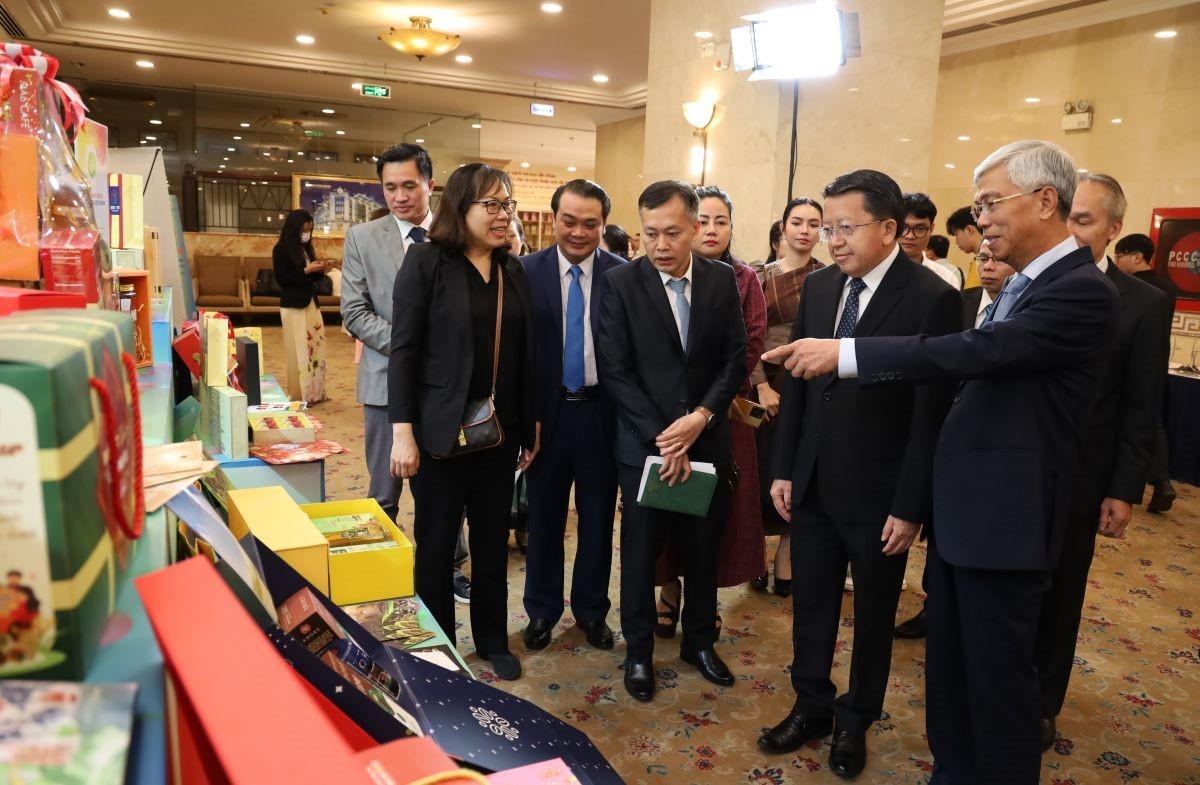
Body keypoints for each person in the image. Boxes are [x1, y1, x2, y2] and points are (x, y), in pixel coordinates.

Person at [767, 140, 1120, 785]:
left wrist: (849, 356)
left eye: (990, 203)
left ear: (1045, 202)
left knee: (997, 690)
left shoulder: (1080, 292)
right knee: (954, 681)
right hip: (966, 522)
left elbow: (970, 356)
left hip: (1003, 526)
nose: (979, 219)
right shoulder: (1025, 285)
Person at [756, 170, 960, 778]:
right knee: (812, 606)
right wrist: (786, 469)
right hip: (813, 484)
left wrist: (910, 503)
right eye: (828, 227)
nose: (833, 239)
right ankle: (810, 704)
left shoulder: (931, 297)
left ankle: (856, 719)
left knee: (873, 616)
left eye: (847, 227)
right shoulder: (820, 289)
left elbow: (930, 415)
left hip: (881, 497)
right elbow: (798, 385)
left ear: (889, 228)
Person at [596, 180, 747, 702]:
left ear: (697, 228)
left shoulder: (722, 280)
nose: (660, 245)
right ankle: (639, 651)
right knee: (640, 554)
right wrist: (668, 441)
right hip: (645, 447)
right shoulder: (619, 284)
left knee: (703, 550)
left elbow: (734, 359)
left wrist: (701, 419)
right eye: (650, 233)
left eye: (672, 233)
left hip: (706, 440)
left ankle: (699, 642)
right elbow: (616, 372)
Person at [388, 163, 539, 681]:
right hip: (437, 432)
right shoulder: (427, 262)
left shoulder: (511, 269)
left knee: (493, 539)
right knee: (435, 543)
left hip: (497, 431)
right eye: (492, 206)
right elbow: (403, 352)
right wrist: (402, 432)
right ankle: (440, 645)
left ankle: (492, 638)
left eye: (507, 205)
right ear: (461, 207)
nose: (503, 216)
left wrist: (528, 429)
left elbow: (523, 356)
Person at [1035, 173, 1170, 746]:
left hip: (1083, 477)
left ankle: (1041, 703)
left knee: (1060, 592)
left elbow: (1141, 405)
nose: (1070, 231)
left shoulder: (1142, 304)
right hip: (1017, 472)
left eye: (1085, 222)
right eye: (1066, 218)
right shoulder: (1029, 284)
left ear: (1115, 229)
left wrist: (1123, 487)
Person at [654, 185, 767, 635]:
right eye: (704, 221)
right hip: (668, 415)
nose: (712, 229)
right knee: (668, 503)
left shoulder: (742, 279)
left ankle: (705, 598)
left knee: (718, 512)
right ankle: (667, 589)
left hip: (725, 413)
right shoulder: (653, 274)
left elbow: (751, 345)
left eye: (722, 221)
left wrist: (707, 406)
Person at [521, 179, 625, 652]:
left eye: (590, 224)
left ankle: (591, 610)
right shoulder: (523, 272)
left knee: (598, 517)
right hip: (546, 414)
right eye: (569, 221)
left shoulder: (624, 275)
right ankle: (541, 611)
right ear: (553, 219)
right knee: (542, 517)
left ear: (603, 224)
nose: (579, 233)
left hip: (601, 413)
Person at [341, 143, 435, 523]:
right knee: (383, 488)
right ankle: (379, 572)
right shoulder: (362, 238)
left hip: (443, 388)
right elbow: (355, 312)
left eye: (409, 185)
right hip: (383, 379)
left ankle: (452, 569)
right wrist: (414, 346)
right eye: (390, 187)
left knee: (443, 493)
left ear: (430, 183)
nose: (399, 197)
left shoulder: (454, 234)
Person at [752, 197, 826, 596]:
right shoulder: (757, 276)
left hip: (807, 382)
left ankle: (787, 557)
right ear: (782, 228)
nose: (804, 230)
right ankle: (753, 558)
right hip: (760, 382)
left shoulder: (829, 278)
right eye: (797, 222)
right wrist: (761, 384)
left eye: (814, 224)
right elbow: (748, 336)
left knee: (798, 469)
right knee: (758, 470)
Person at [1115, 232, 1178, 512]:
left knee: (1135, 422)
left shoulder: (1134, 290)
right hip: (1158, 361)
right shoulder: (1168, 288)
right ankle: (1162, 481)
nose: (1116, 261)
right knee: (1154, 423)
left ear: (1137, 256)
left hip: (1131, 365)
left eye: (1120, 255)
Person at [272, 209, 329, 404]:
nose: (307, 233)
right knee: (299, 350)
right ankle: (301, 394)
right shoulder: (281, 249)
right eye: (305, 229)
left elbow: (311, 278)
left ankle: (317, 391)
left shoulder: (306, 248)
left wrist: (319, 270)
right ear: (294, 228)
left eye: (310, 230)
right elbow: (283, 280)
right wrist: (306, 270)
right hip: (293, 305)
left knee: (316, 345)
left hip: (311, 301)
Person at [901, 193, 961, 291]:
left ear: (931, 229)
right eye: (904, 227)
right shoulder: (876, 269)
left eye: (920, 229)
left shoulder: (945, 278)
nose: (910, 236)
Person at [946, 205, 984, 287]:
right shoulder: (977, 261)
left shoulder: (987, 263)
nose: (956, 241)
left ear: (969, 230)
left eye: (956, 234)